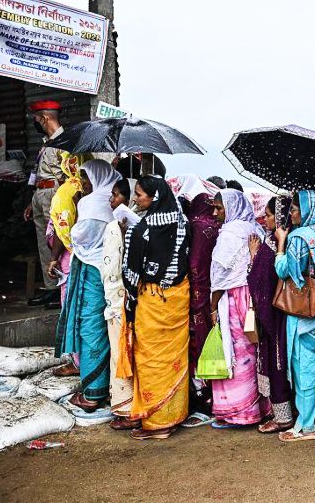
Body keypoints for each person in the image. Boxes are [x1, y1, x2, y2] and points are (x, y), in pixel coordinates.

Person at [118, 176, 191, 440]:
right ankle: (173, 415)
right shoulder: (183, 224)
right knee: (173, 360)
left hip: (151, 302)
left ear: (154, 198)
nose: (136, 198)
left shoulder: (141, 231)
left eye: (139, 194)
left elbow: (130, 274)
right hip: (178, 300)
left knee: (151, 360)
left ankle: (157, 423)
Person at [55, 159, 121, 412]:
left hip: (91, 269)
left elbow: (79, 235)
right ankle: (106, 386)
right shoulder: (114, 200)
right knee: (106, 326)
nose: (82, 182)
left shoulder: (91, 202)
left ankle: (94, 393)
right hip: (107, 268)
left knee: (90, 326)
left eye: (85, 177)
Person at [274, 191, 315, 442]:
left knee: (304, 369)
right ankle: (309, 419)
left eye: (295, 209)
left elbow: (288, 272)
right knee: (310, 365)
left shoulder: (299, 238)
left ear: (308, 211)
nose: (291, 213)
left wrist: (281, 245)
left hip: (302, 311)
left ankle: (306, 425)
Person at [209, 189, 263, 428]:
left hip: (232, 298)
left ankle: (237, 411)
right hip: (251, 298)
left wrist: (212, 306)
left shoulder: (229, 233)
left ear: (231, 208)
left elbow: (219, 276)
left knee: (236, 353)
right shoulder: (255, 229)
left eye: (219, 208)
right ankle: (256, 406)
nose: (215, 213)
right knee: (251, 352)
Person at [247, 197, 294, 434]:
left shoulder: (272, 246)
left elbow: (258, 281)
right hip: (291, 313)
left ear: (279, 217)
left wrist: (254, 257)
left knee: (277, 362)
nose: (265, 219)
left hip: (275, 316)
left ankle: (283, 417)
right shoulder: (291, 240)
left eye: (268, 214)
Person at [24, 100, 67, 307]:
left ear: (45, 117)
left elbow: (69, 176)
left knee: (57, 242)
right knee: (43, 244)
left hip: (55, 194)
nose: (36, 122)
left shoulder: (64, 142)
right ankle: (51, 288)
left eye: (37, 119)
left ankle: (62, 287)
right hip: (40, 194)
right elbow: (37, 173)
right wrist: (32, 202)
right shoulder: (46, 142)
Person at [102, 179, 136, 424]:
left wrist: (113, 300)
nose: (111, 200)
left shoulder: (116, 226)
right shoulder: (142, 225)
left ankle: (125, 408)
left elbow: (112, 269)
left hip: (118, 300)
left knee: (120, 353)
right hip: (133, 300)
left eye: (115, 195)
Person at [184, 193, 219, 424]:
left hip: (198, 293)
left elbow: (195, 264)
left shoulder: (196, 226)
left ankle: (202, 394)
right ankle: (216, 394)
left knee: (198, 345)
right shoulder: (217, 227)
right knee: (214, 343)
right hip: (216, 294)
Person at [45, 152, 91, 310]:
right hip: (92, 255)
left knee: (70, 298)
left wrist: (53, 258)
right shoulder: (97, 187)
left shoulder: (66, 191)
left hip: (70, 254)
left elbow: (61, 227)